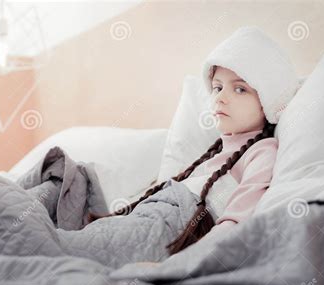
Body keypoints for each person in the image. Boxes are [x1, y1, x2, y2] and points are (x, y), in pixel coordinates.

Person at [88, 26, 300, 256]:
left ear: (267, 101)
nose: (220, 97)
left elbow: (235, 223)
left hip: (167, 232)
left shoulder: (262, 152)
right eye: (217, 87)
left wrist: (178, 266)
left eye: (240, 89)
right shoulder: (213, 152)